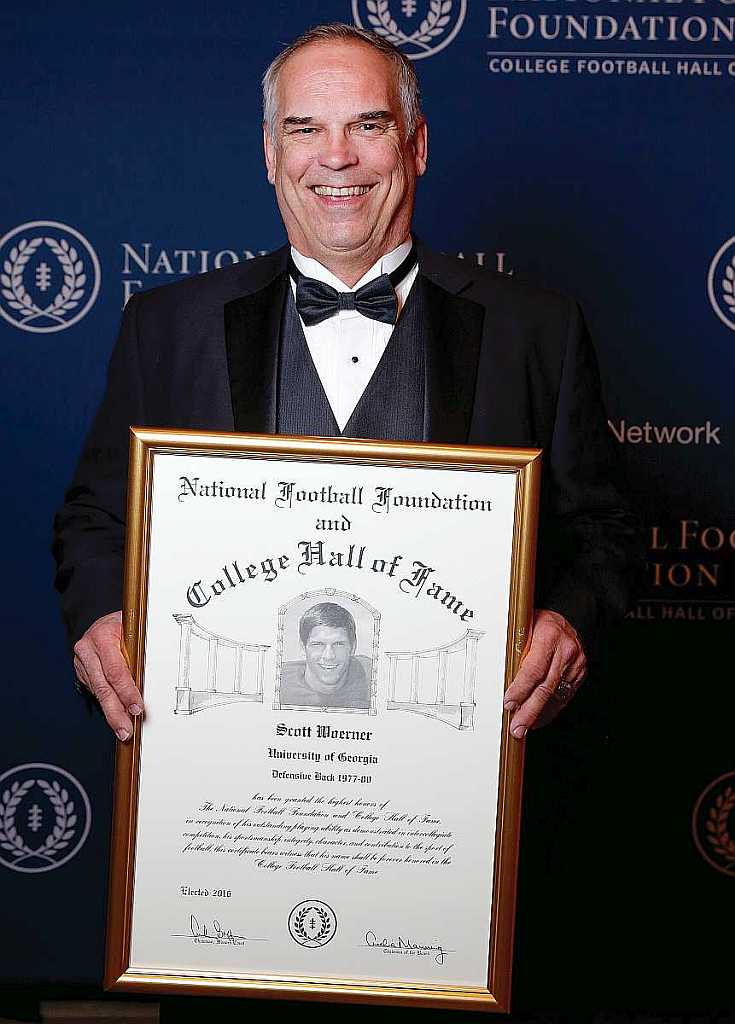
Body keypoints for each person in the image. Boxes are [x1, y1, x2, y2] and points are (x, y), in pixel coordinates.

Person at [54, 22, 639, 746]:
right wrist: (101, 615)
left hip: (451, 768)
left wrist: (567, 619)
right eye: (305, 129)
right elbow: (97, 519)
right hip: (220, 770)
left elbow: (600, 532)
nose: (336, 156)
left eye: (368, 124)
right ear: (271, 154)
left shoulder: (536, 328)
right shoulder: (167, 325)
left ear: (415, 146)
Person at [279, 602, 371, 709]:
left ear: (353, 647)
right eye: (318, 644)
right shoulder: (277, 682)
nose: (329, 656)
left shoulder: (373, 677)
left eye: (338, 644)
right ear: (303, 647)